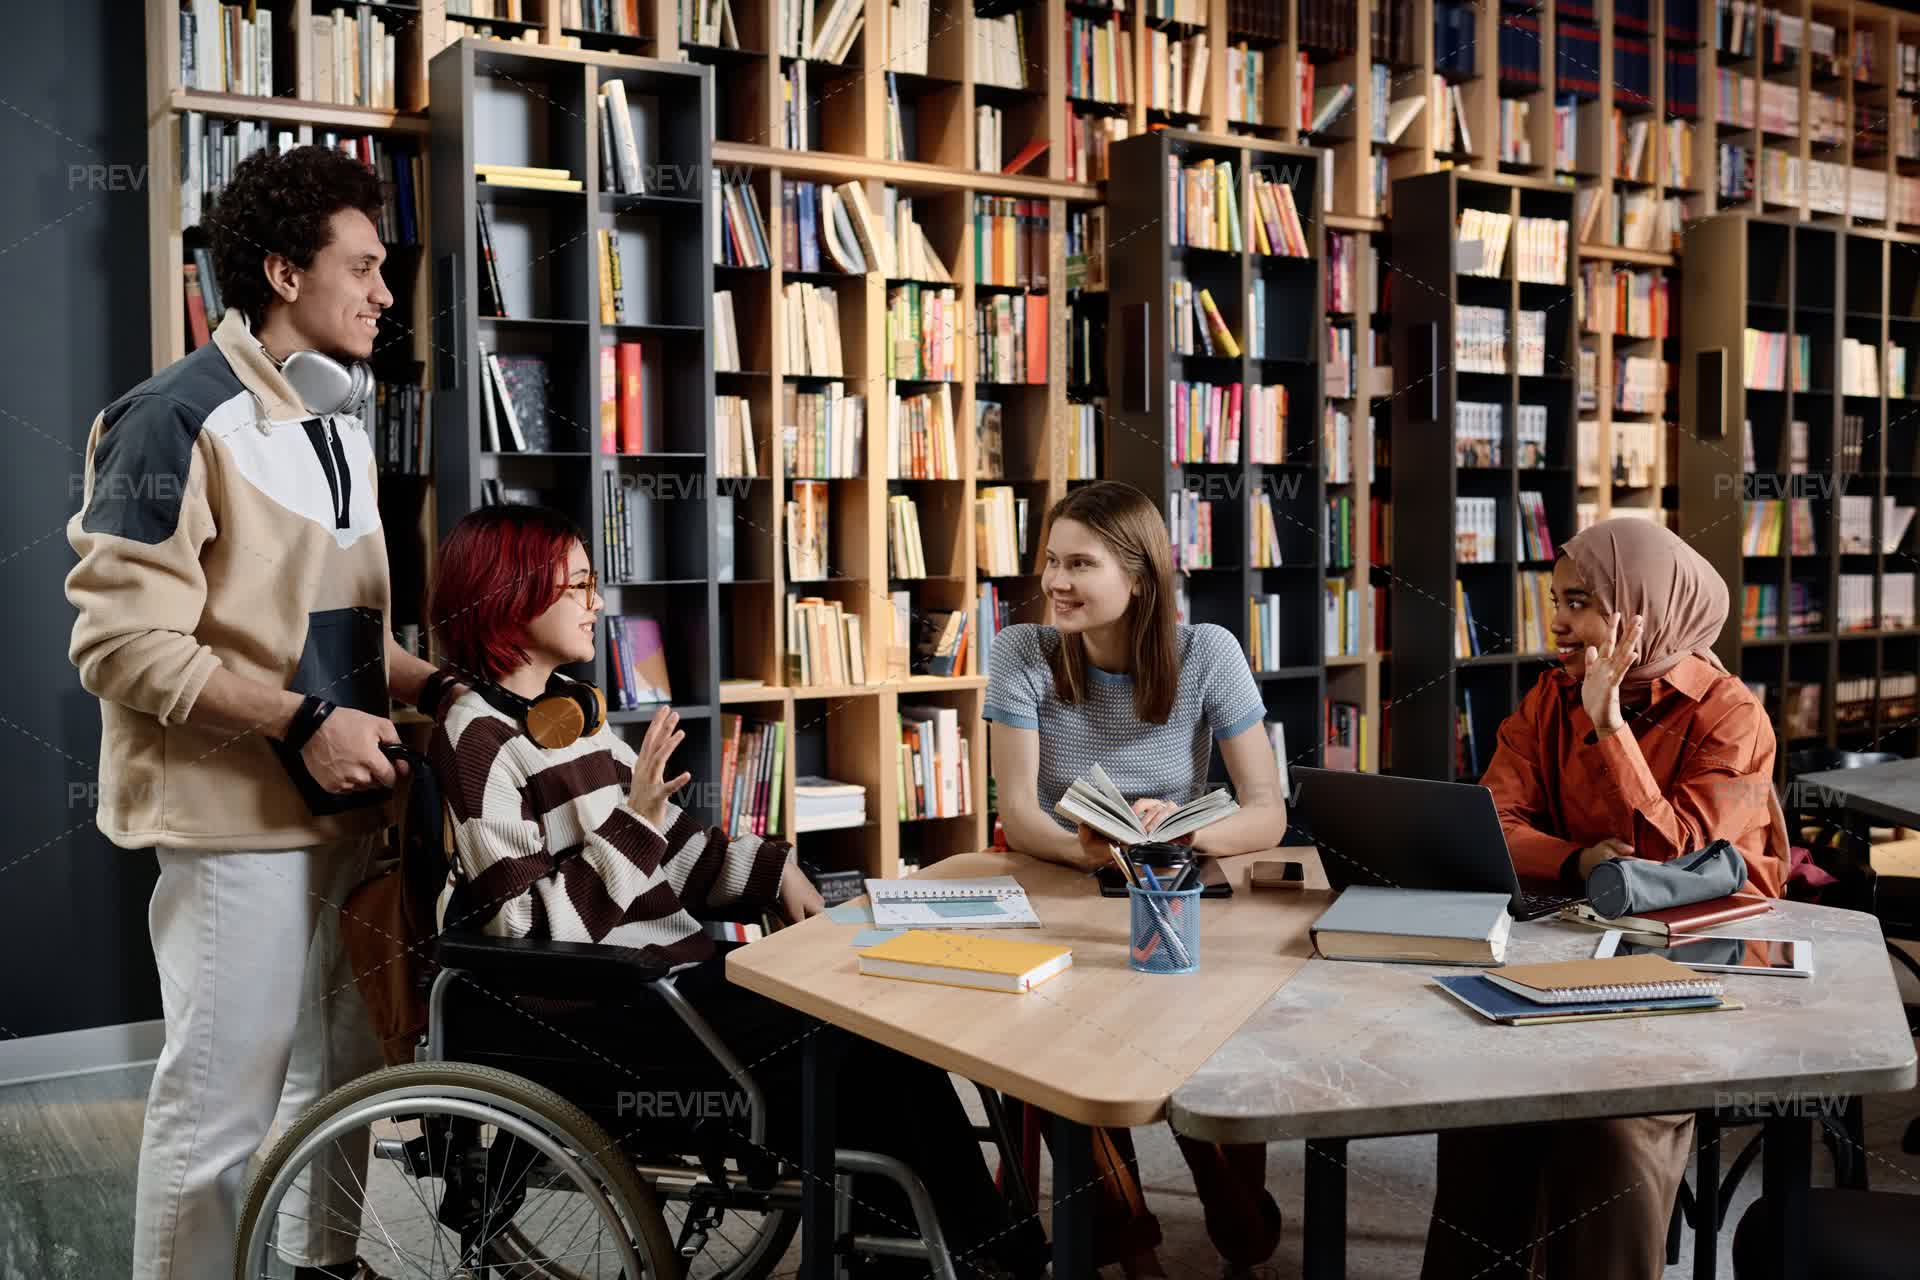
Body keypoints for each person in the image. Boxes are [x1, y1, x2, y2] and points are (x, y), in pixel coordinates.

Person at [426, 503, 1046, 1280]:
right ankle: (989, 1255)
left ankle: (954, 1253)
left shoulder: (572, 716)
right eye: (578, 585)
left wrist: (776, 869)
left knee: (883, 1026)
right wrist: (636, 821)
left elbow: (680, 852)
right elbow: (524, 931)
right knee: (860, 1045)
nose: (597, 603)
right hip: (606, 1011)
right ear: (511, 596)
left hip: (669, 985)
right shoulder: (478, 740)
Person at [65, 145, 460, 1280]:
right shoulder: (172, 418)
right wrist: (300, 722)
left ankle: (327, 1262)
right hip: (234, 819)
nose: (386, 293)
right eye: (366, 266)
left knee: (339, 1080)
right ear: (286, 271)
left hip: (347, 807)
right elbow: (120, 642)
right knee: (215, 1111)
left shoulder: (336, 416)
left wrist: (438, 688)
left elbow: (330, 627)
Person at [1421, 517, 1791, 1280]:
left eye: (1581, 601)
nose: (1556, 620)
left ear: (1643, 609)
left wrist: (1609, 722)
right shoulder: (1548, 695)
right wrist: (1577, 857)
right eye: (1554, 599)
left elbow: (1680, 864)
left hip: (1696, 967)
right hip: (1567, 947)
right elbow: (1493, 821)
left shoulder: (1731, 715)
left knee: (1612, 1127)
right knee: (1481, 1103)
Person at [982, 481, 1289, 1278]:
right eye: (1050, 561)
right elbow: (1020, 815)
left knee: (1202, 1028)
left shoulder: (1208, 653)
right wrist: (1088, 852)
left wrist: (1179, 831)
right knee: (1061, 1046)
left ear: (1141, 576)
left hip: (1174, 884)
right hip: (1065, 881)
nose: (1055, 582)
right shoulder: (1022, 652)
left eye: (1079, 564)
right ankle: (1134, 1249)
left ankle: (1222, 1191)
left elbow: (1266, 812)